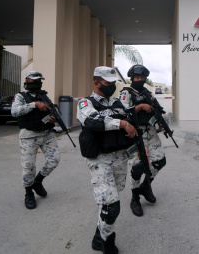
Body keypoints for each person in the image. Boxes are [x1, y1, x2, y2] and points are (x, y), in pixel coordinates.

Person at [77, 66, 138, 254]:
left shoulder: (119, 103)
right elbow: (92, 122)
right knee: (112, 206)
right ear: (96, 83)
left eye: (114, 84)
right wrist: (122, 123)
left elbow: (133, 127)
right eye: (107, 84)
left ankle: (98, 236)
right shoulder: (85, 104)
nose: (112, 87)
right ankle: (107, 243)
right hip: (100, 160)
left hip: (120, 158)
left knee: (109, 201)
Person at [119, 64, 167, 217]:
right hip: (135, 132)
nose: (140, 80)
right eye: (137, 77)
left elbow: (156, 110)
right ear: (132, 78)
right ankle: (134, 198)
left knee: (160, 161)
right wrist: (140, 107)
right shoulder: (126, 93)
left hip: (151, 131)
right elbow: (120, 112)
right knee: (137, 167)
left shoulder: (147, 92)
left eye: (142, 78)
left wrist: (161, 124)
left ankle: (146, 186)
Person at [11, 71, 61, 210]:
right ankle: (28, 194)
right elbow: (15, 112)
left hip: (46, 134)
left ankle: (37, 181)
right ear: (27, 81)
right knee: (29, 167)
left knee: (54, 160)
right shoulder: (20, 96)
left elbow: (50, 111)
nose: (38, 83)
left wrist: (53, 118)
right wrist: (34, 105)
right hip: (29, 135)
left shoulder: (44, 95)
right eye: (35, 80)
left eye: (40, 80)